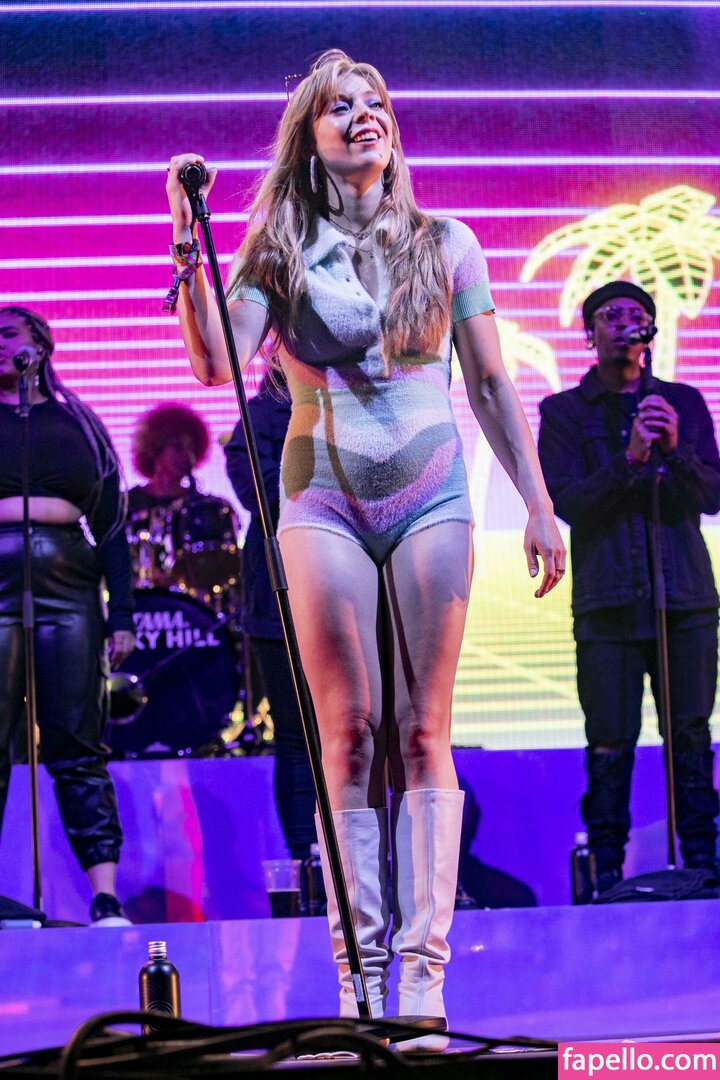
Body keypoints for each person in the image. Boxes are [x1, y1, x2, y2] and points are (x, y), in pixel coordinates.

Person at [165, 49, 564, 1044]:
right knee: (347, 735)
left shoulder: (448, 242)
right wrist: (186, 240)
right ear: (310, 138)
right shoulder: (278, 249)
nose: (362, 115)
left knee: (423, 731)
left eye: (374, 100)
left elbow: (489, 384)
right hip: (323, 497)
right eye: (338, 106)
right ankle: (361, 977)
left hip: (431, 492)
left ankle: (424, 977)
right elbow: (218, 360)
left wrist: (538, 503)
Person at [538, 281, 720, 895]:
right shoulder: (564, 413)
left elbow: (712, 495)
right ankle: (607, 873)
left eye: (635, 315)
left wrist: (675, 449)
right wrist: (631, 459)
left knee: (690, 735)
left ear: (650, 331)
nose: (623, 323)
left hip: (685, 599)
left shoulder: (682, 402)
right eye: (609, 315)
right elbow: (568, 503)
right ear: (589, 333)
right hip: (607, 603)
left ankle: (703, 865)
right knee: (609, 742)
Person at [0, 305, 135, 926]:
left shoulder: (79, 422)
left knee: (76, 739)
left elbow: (112, 526)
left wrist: (122, 613)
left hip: (68, 581)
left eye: (8, 333)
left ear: (41, 345)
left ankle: (104, 896)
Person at [224, 371, 318, 866]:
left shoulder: (357, 398)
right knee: (296, 734)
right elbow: (260, 495)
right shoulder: (259, 415)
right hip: (279, 591)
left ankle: (372, 858)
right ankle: (306, 861)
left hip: (357, 588)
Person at [128, 402, 238, 596]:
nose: (187, 456)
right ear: (155, 447)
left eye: (191, 448)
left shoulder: (203, 508)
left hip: (191, 604)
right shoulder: (129, 503)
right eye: (178, 447)